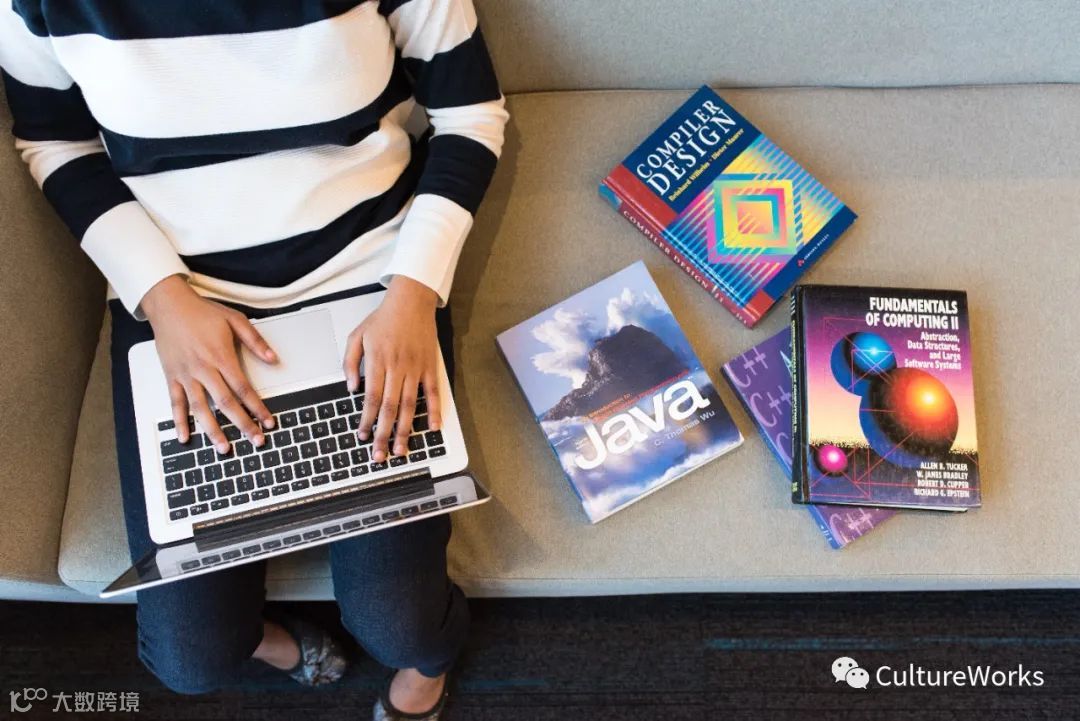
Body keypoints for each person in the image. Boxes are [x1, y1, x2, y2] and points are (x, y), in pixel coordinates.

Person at [0, 1, 508, 718]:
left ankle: (430, 661)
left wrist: (414, 293)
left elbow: (470, 114)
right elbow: (55, 141)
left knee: (401, 622)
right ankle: (274, 642)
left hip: (373, 278)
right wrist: (163, 299)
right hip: (180, 296)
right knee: (191, 658)